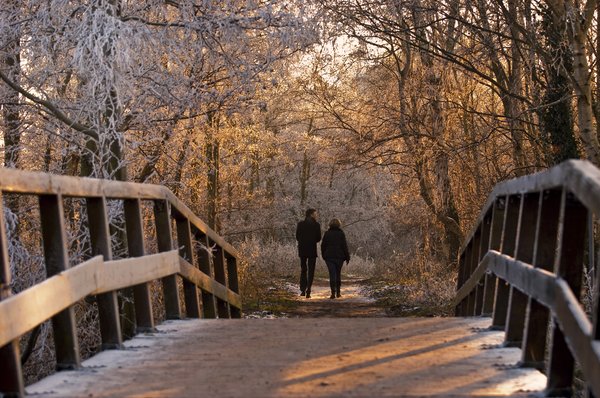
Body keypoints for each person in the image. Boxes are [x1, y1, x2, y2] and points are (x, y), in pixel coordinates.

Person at [321, 218, 350, 299]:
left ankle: (333, 293)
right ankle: (338, 292)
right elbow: (344, 246)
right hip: (339, 256)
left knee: (332, 274)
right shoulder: (341, 233)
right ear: (339, 224)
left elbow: (323, 245)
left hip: (329, 256)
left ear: (330, 224)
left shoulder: (327, 233)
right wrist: (347, 257)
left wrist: (324, 255)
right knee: (338, 274)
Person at [295, 208, 321, 299]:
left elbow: (297, 236)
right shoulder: (316, 225)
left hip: (302, 249)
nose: (316, 215)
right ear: (311, 214)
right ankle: (308, 289)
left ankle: (302, 289)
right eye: (315, 213)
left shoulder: (300, 224)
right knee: (311, 270)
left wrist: (303, 241)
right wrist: (312, 240)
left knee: (303, 269)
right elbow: (318, 238)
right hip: (312, 249)